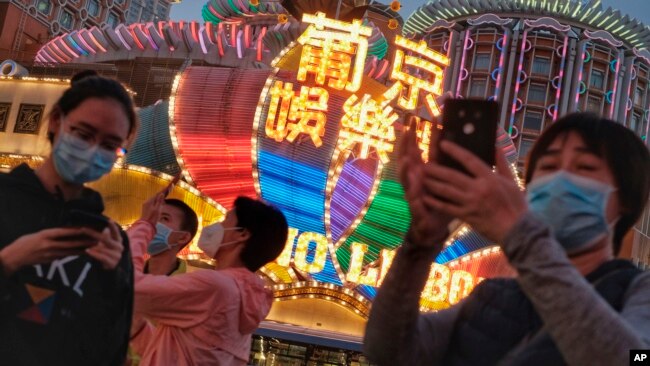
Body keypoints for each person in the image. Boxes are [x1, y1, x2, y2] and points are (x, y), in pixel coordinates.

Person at [363, 112, 650, 365]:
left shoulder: (638, 292)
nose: (560, 180)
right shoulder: (490, 297)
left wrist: (520, 236)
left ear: (626, 198)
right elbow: (389, 351)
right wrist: (420, 243)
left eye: (585, 167)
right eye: (548, 168)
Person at [0, 73, 138, 365]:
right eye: (83, 134)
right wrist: (9, 261)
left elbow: (110, 349)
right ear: (55, 122)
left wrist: (113, 279)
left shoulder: (110, 239)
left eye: (109, 144)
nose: (92, 150)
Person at [128, 194, 288, 365]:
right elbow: (182, 352)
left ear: (242, 234)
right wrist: (139, 330)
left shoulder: (216, 286)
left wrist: (145, 224)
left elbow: (128, 287)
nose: (216, 227)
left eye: (225, 221)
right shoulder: (242, 297)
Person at [127, 198, 198, 365]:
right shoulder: (129, 274)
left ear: (182, 238)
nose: (154, 224)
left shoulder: (189, 293)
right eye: (154, 217)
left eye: (164, 219)